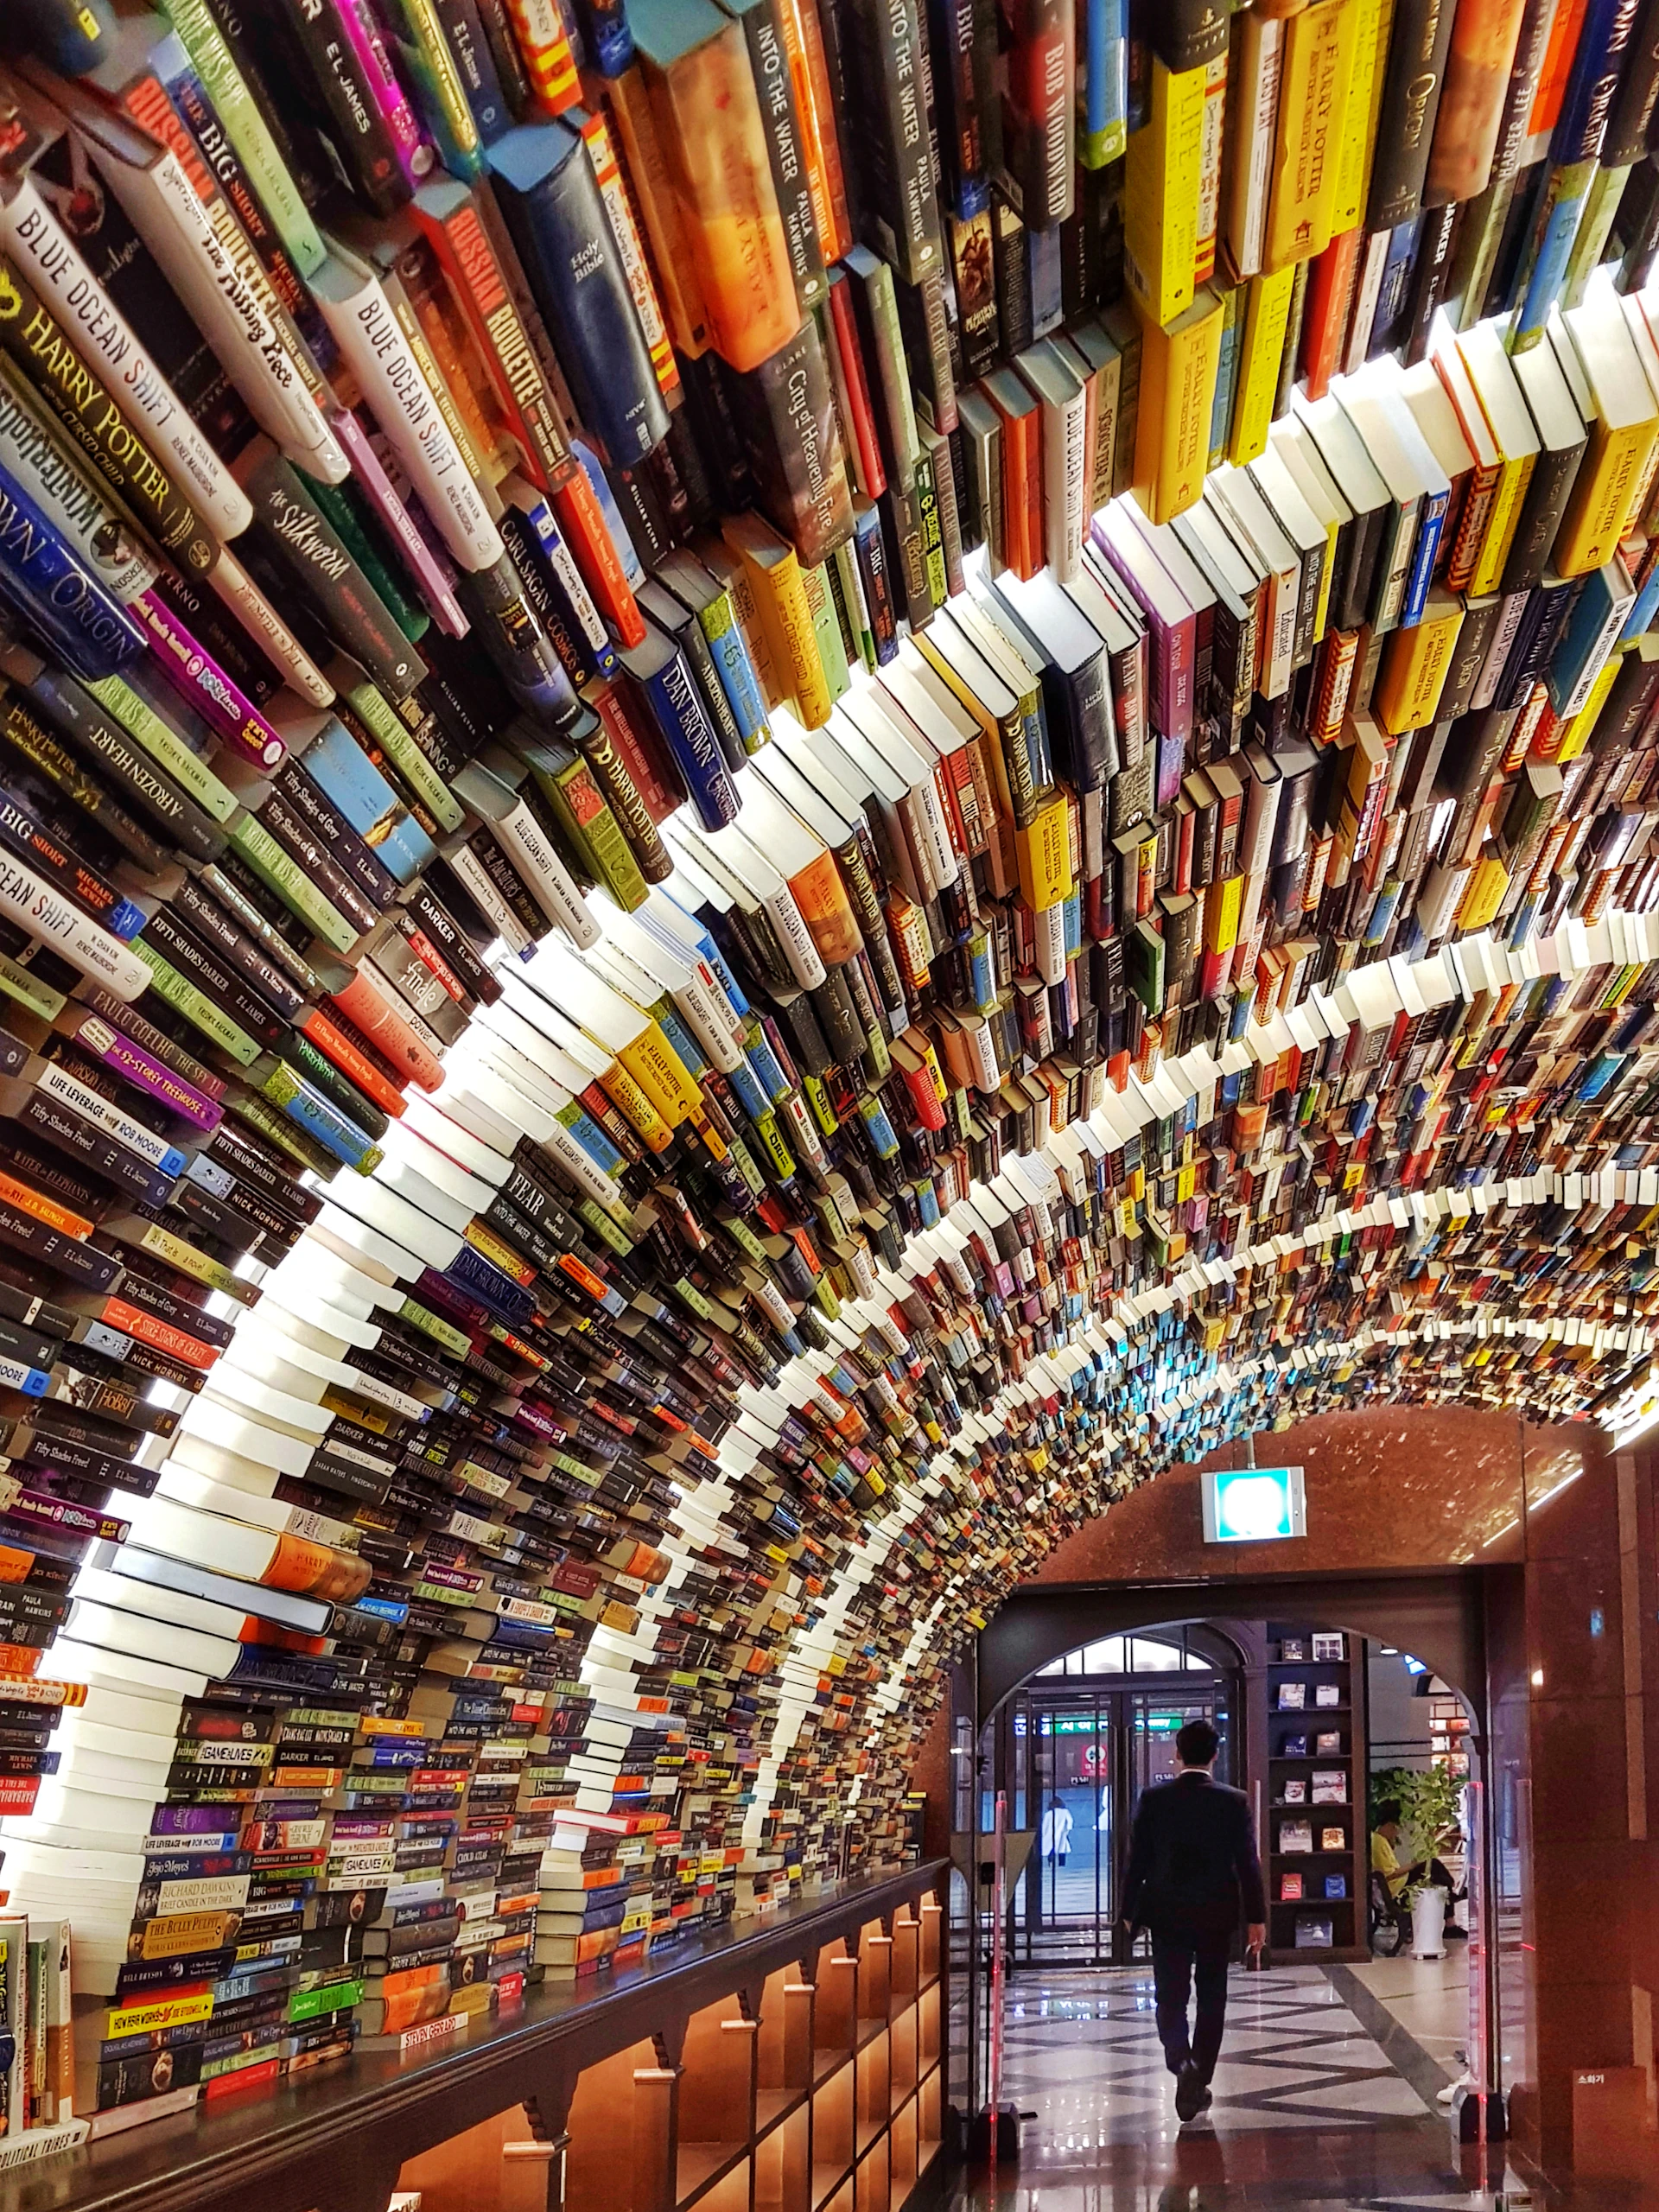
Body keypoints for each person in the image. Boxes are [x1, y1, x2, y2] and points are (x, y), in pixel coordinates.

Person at [1121, 1718, 1267, 2125]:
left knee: (1169, 1996)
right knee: (1212, 1996)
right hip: (1217, 1912)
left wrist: (1128, 1911)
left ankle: (1180, 2064)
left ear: (1178, 1753)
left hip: (1166, 1913)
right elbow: (1248, 1865)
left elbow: (1138, 1862)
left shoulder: (1153, 1798)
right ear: (1216, 1755)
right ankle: (1198, 2075)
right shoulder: (1233, 1801)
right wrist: (1257, 1917)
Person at [1370, 1802, 1465, 1934]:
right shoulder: (1378, 1841)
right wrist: (1413, 1865)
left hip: (1397, 1885)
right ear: (1388, 1825)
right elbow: (1389, 1874)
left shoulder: (1379, 1840)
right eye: (1394, 1828)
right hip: (1397, 1889)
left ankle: (1450, 1894)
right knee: (1431, 1865)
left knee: (1434, 1870)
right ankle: (1451, 1908)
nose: (1396, 1833)